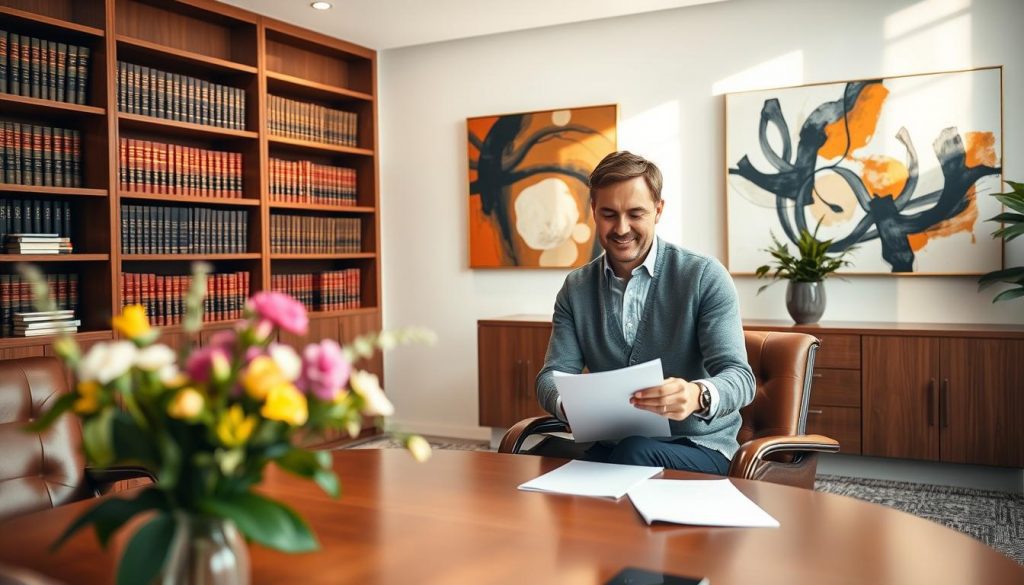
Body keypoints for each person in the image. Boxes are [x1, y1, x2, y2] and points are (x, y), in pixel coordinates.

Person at [534, 151, 755, 474]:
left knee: (633, 451)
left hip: (700, 447)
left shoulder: (704, 276)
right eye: (609, 214)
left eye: (635, 214)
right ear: (593, 211)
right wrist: (567, 404)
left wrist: (697, 395)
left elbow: (741, 377)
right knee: (536, 459)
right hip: (614, 444)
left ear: (658, 210)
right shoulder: (576, 288)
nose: (621, 228)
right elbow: (551, 376)